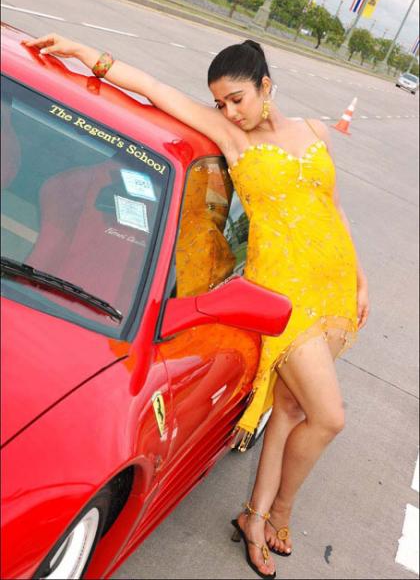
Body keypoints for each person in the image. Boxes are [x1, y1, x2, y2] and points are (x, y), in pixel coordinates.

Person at [22, 34, 370, 579]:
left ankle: (254, 516)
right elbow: (156, 89)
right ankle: (280, 511)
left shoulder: (315, 132)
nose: (229, 111)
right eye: (220, 102)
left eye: (237, 98)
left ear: (266, 86)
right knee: (328, 418)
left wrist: (360, 280)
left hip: (333, 284)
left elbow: (334, 209)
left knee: (290, 410)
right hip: (284, 296)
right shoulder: (232, 140)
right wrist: (93, 58)